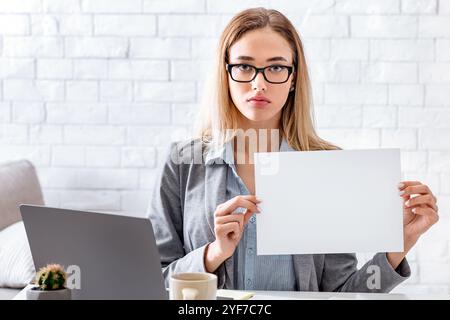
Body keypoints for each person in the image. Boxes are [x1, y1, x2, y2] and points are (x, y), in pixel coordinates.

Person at [147, 7, 439, 292]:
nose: (258, 84)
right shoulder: (183, 163)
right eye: (245, 66)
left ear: (292, 78)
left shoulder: (327, 167)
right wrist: (212, 254)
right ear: (226, 73)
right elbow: (150, 280)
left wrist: (398, 247)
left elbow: (342, 292)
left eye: (275, 67)